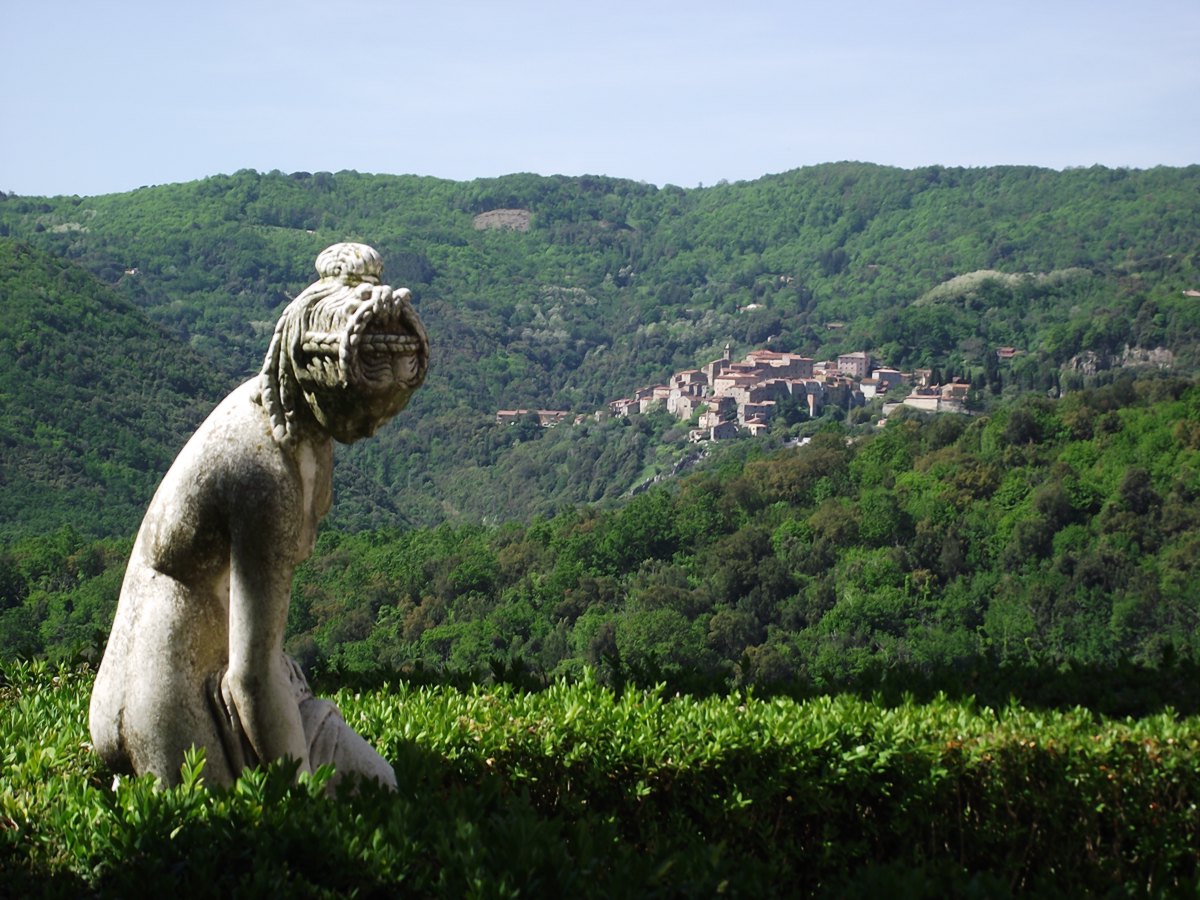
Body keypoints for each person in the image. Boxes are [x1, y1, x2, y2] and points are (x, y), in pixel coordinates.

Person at [90, 243, 428, 790]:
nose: (371, 426)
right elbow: (250, 676)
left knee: (378, 784)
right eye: (363, 405)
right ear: (322, 373)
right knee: (243, 851)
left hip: (225, 657)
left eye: (388, 408)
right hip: (169, 685)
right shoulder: (264, 474)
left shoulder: (300, 420)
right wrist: (302, 805)